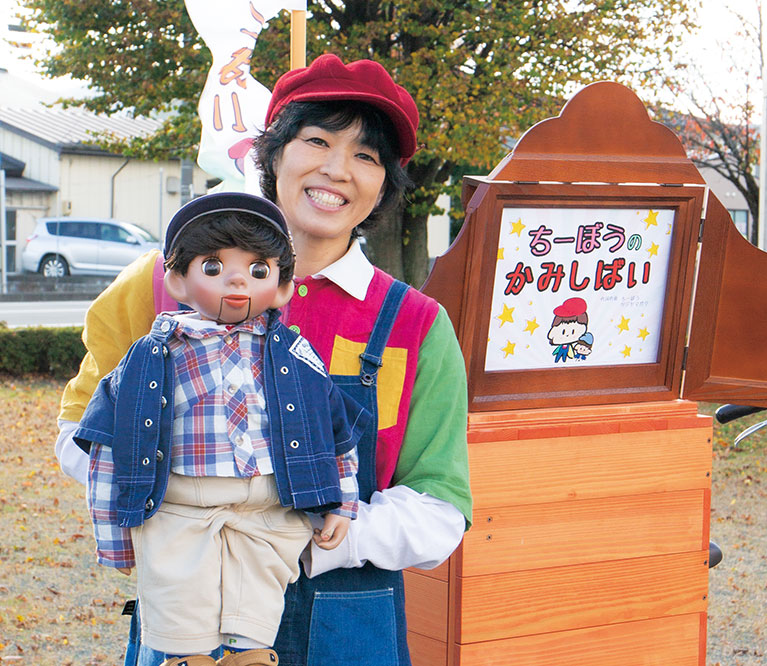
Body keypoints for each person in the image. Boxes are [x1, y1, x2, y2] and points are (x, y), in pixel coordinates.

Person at [55, 54, 472, 666]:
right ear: (273, 154)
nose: (336, 169)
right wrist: (177, 509)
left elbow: (441, 507)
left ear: (384, 185)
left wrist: (311, 534)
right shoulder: (159, 285)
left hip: (344, 618)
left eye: (366, 156)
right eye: (317, 140)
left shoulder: (416, 325)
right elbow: (80, 433)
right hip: (182, 610)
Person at [76, 192, 365, 666]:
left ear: (284, 286)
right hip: (177, 515)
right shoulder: (154, 356)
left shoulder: (295, 356)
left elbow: (333, 433)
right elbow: (109, 444)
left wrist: (343, 503)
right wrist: (113, 532)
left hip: (271, 515)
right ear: (177, 281)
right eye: (212, 266)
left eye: (258, 270)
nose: (236, 278)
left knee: (255, 630)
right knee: (180, 632)